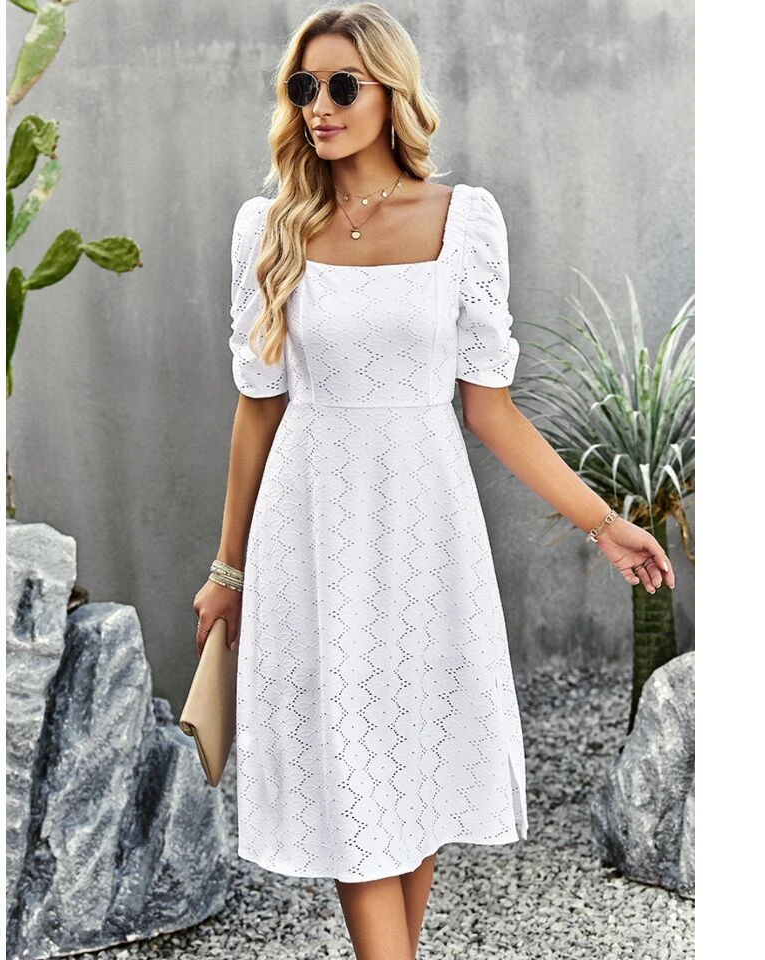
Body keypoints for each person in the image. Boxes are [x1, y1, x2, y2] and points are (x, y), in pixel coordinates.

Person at [193, 4, 676, 958]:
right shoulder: (271, 228)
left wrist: (602, 522)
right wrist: (228, 568)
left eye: (342, 85)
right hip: (313, 527)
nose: (320, 106)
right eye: (303, 87)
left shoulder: (465, 222)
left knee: (408, 765)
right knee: (351, 774)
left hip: (425, 526)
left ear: (392, 94)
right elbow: (258, 410)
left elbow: (491, 410)